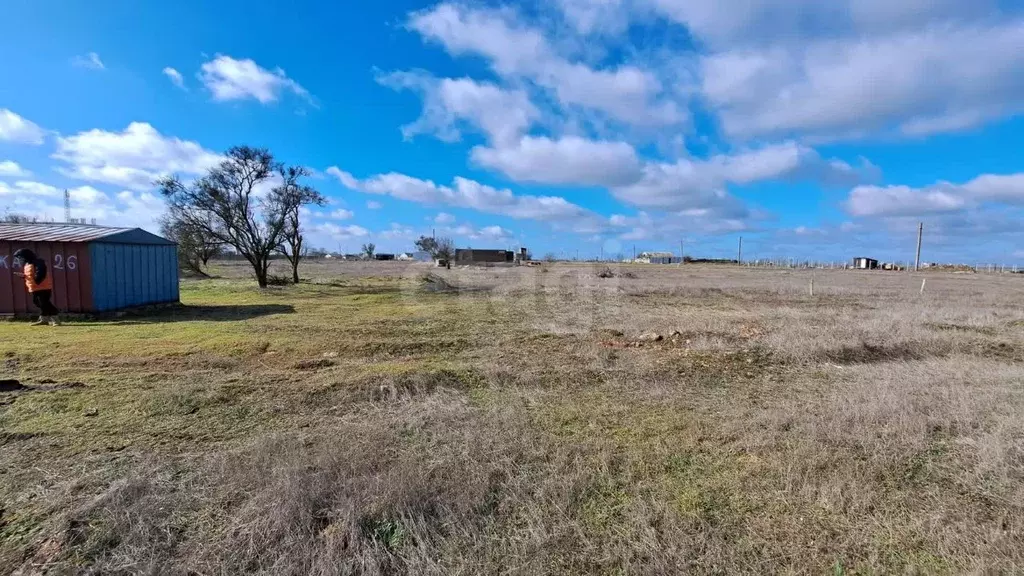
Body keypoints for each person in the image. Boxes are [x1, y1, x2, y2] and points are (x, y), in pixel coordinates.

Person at [13, 248, 60, 326]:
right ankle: (44, 319)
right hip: (34, 287)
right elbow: (31, 275)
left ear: (26, 256)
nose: (20, 259)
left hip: (43, 287)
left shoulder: (38, 262)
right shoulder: (27, 264)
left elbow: (41, 272)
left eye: (20, 257)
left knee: (45, 303)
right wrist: (24, 276)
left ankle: (56, 319)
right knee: (38, 303)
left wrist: (37, 280)